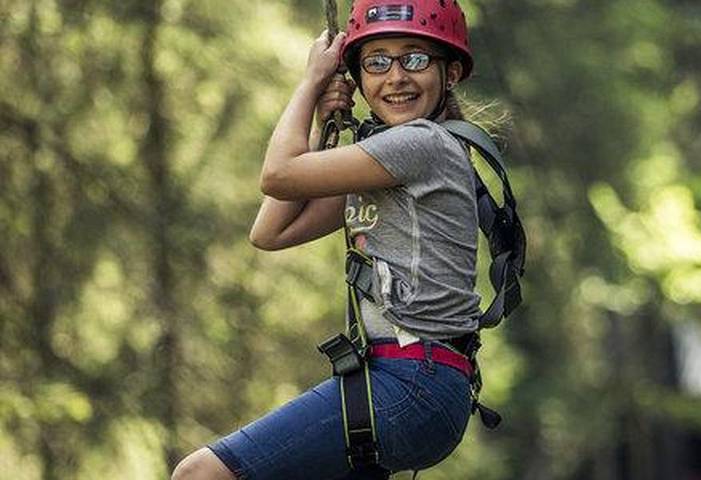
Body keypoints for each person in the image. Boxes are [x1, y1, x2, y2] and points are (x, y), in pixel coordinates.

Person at [171, 1, 488, 478]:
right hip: (415, 383)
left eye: (415, 59)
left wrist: (309, 83)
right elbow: (271, 230)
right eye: (376, 61)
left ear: (451, 72)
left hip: (411, 379)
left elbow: (277, 175)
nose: (395, 76)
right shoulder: (384, 166)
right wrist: (324, 125)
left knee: (200, 474)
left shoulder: (421, 144)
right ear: (359, 79)